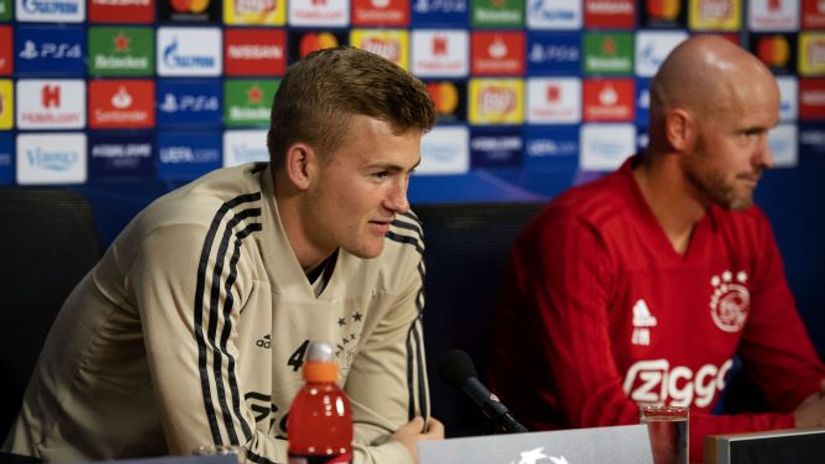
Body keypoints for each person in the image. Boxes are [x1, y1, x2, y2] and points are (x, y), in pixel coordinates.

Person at [4, 46, 444, 463]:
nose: (400, 201)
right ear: (302, 166)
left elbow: (386, 432)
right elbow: (219, 457)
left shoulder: (397, 241)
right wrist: (394, 457)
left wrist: (391, 455)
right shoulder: (195, 237)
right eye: (380, 174)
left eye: (408, 173)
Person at [488, 35, 825, 462]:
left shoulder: (747, 230)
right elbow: (604, 428)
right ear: (679, 129)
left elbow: (796, 384)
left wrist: (813, 411)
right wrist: (793, 426)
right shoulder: (579, 234)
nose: (767, 158)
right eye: (748, 134)